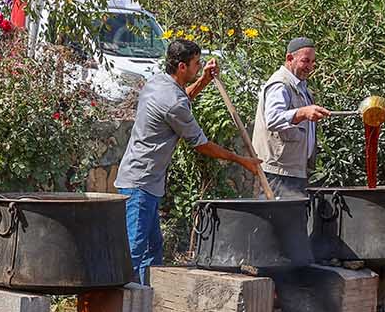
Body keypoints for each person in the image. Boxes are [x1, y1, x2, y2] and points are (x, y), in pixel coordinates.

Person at [114, 38, 261, 285]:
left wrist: (203, 80)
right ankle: (124, 311)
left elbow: (181, 102)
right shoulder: (173, 102)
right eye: (195, 63)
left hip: (143, 182)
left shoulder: (158, 83)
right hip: (140, 183)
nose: (198, 66)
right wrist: (240, 159)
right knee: (135, 251)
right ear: (182, 66)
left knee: (152, 249)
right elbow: (201, 143)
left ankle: (148, 303)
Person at [251, 37, 331, 197]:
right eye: (305, 61)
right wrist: (302, 113)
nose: (310, 67)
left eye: (312, 62)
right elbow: (273, 119)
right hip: (279, 173)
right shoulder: (280, 85)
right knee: (279, 219)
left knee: (293, 220)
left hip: (294, 172)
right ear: (289, 58)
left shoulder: (300, 87)